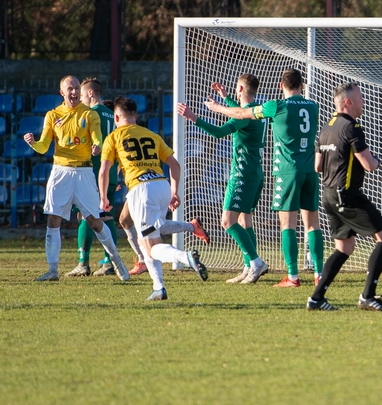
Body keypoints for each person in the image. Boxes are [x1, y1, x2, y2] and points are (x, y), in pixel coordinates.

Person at [204, 68, 323, 288]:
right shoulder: (313, 106)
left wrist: (217, 107)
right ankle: (319, 274)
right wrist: (228, 98)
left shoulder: (275, 106)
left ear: (280, 86)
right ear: (302, 85)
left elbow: (242, 114)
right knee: (312, 225)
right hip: (310, 170)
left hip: (288, 171)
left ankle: (293, 277)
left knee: (288, 224)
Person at [99, 96, 208, 300]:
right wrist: (174, 192)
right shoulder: (151, 135)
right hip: (161, 184)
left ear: (116, 117)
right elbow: (175, 165)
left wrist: (103, 197)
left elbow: (104, 170)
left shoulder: (113, 137)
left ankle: (184, 257)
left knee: (152, 246)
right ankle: (159, 288)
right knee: (146, 239)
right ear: (136, 116)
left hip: (142, 189)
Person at [23, 75, 129, 282]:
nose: (73, 92)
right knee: (53, 219)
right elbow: (45, 146)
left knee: (94, 221)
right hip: (60, 171)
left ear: (80, 92)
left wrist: (97, 145)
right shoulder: (53, 115)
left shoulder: (90, 115)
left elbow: (97, 136)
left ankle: (117, 261)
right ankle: (52, 270)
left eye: (75, 88)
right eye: (69, 89)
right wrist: (33, 143)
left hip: (83, 172)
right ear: (61, 92)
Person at [306, 82, 382, 311]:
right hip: (347, 196)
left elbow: (317, 166)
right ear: (348, 102)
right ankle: (368, 296)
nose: (363, 102)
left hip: (328, 195)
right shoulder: (351, 127)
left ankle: (316, 299)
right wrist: (376, 161)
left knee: (344, 248)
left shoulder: (326, 128)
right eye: (360, 98)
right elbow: (368, 164)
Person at [178, 74, 268, 284]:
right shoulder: (256, 111)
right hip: (255, 173)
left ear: (241, 88)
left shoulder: (243, 117)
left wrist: (194, 118)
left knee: (227, 222)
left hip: (242, 175)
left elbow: (219, 132)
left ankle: (255, 262)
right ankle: (249, 266)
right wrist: (226, 98)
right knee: (245, 221)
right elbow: (237, 110)